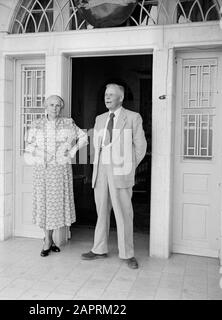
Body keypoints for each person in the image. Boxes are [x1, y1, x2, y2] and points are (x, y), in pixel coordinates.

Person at [81, 83, 147, 269]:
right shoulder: (100, 118)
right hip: (101, 171)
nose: (107, 97)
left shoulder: (133, 117)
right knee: (101, 211)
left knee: (124, 213)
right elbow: (96, 146)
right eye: (105, 94)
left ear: (121, 98)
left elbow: (140, 147)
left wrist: (129, 166)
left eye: (111, 94)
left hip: (121, 171)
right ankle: (99, 249)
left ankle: (127, 254)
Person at [24, 95, 88, 257]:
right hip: (43, 170)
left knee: (56, 205)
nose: (55, 108)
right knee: (45, 204)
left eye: (58, 105)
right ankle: (47, 240)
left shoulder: (68, 123)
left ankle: (49, 239)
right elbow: (29, 145)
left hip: (60, 170)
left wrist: (72, 151)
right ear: (46, 106)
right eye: (52, 105)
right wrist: (40, 155)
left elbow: (84, 137)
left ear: (61, 108)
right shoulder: (37, 124)